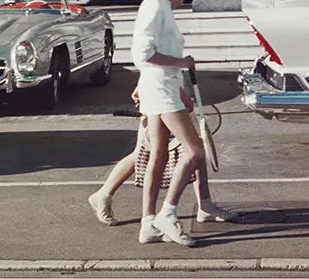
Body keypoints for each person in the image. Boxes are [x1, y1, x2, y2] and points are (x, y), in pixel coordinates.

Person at [129, 0, 215, 247]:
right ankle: (168, 213)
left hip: (161, 87)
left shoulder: (161, 4)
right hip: (160, 89)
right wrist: (181, 62)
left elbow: (153, 53)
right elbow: (142, 55)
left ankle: (147, 224)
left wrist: (179, 84)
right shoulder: (155, 6)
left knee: (159, 155)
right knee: (195, 152)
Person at [88, 88, 234, 228]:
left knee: (193, 147)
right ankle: (109, 198)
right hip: (163, 97)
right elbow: (156, 66)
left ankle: (204, 205)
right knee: (150, 153)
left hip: (168, 95)